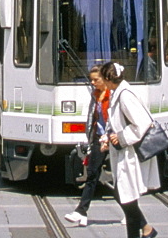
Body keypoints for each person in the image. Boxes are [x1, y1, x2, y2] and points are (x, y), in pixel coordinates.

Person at [98, 61, 159, 238]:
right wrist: (107, 139)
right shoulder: (118, 93)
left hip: (130, 154)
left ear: (109, 79)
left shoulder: (125, 95)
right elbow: (116, 123)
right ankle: (147, 229)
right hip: (123, 153)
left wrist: (121, 137)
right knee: (124, 196)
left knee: (126, 197)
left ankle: (144, 231)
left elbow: (142, 123)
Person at [64, 66, 111, 227]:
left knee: (121, 178)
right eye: (91, 79)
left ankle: (135, 215)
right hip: (99, 139)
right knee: (92, 173)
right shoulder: (96, 95)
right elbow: (93, 118)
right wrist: (91, 138)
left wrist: (110, 137)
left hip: (115, 140)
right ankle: (81, 212)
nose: (92, 82)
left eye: (95, 80)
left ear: (104, 79)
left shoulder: (113, 96)